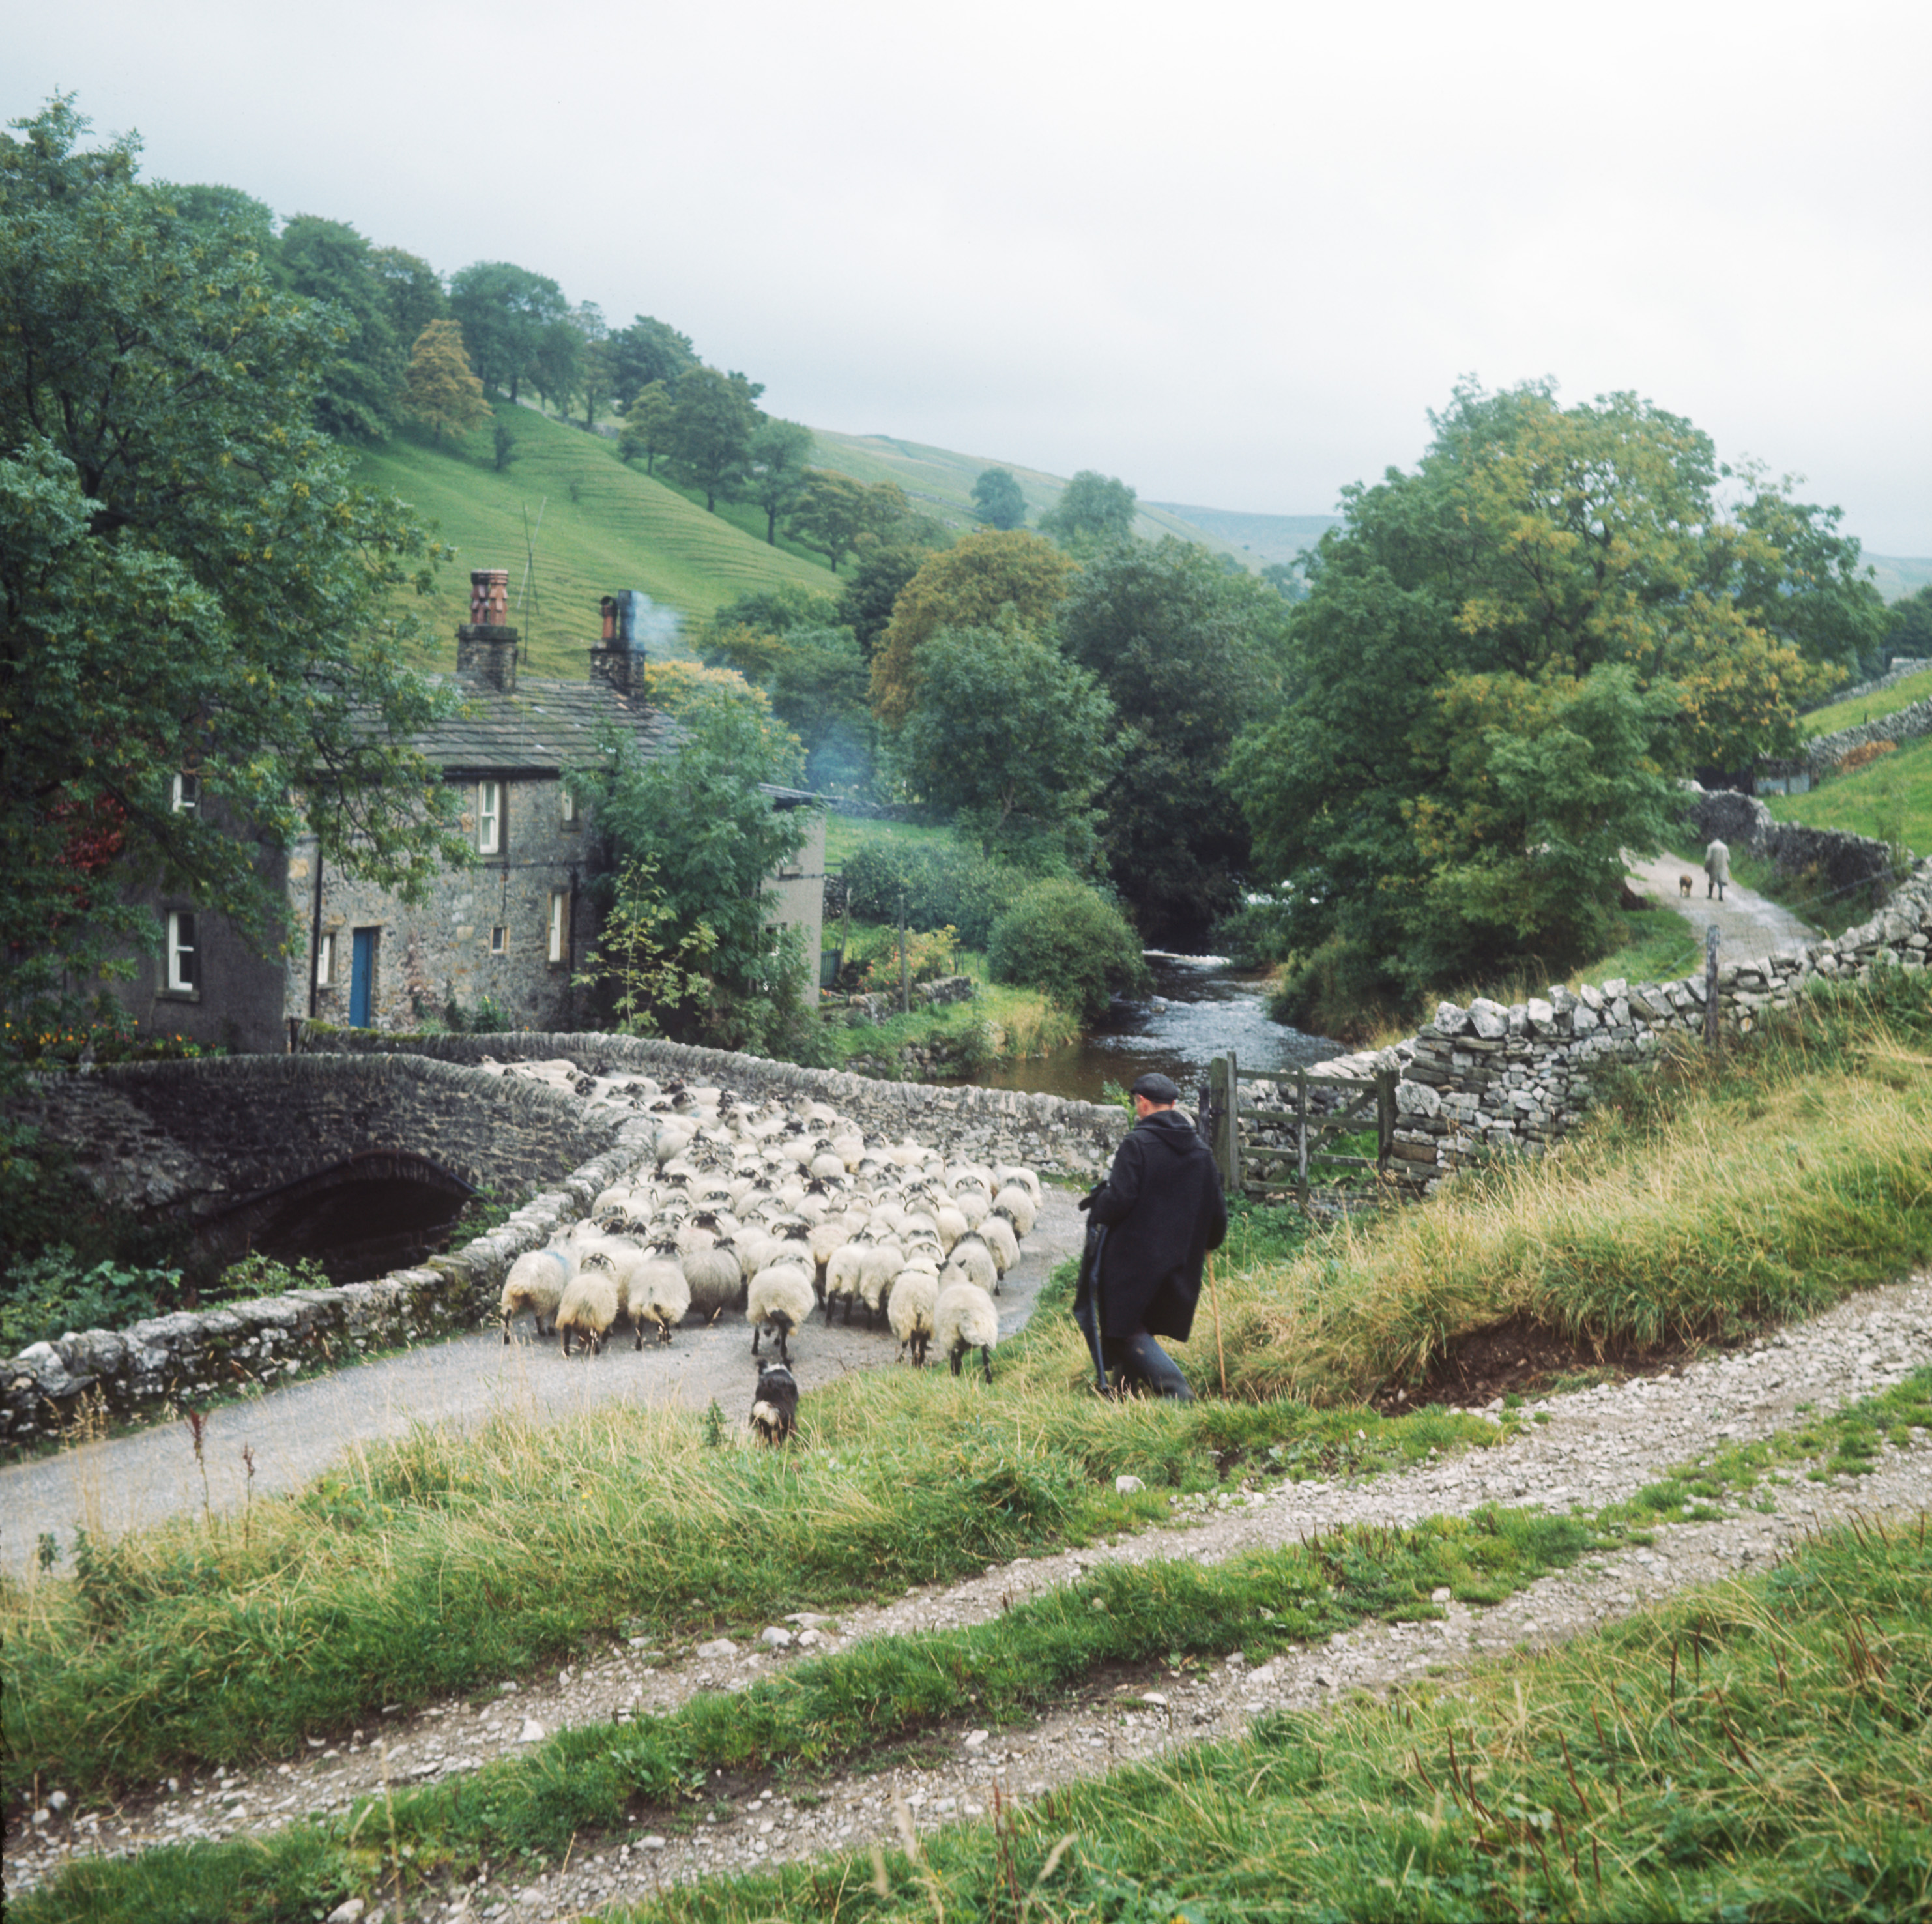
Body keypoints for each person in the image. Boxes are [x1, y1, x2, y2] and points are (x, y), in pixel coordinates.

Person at [1074, 1071, 1226, 1399]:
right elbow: (1217, 1217)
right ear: (1173, 1105)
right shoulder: (1201, 1151)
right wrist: (1208, 1241)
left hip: (1131, 1263)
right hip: (1178, 1267)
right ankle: (1124, 1396)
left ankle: (1176, 1390)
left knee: (1124, 1329)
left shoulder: (1137, 1144)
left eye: (1136, 1103)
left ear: (1141, 1103)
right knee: (1135, 1324)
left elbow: (1120, 1200)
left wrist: (1098, 1204)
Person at [1704, 837, 1731, 902]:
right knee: (1721, 880)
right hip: (1722, 865)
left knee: (1712, 880)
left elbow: (1708, 858)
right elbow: (1728, 859)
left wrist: (1706, 868)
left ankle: (1710, 895)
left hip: (1714, 865)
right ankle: (1720, 895)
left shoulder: (1711, 847)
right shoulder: (1725, 847)